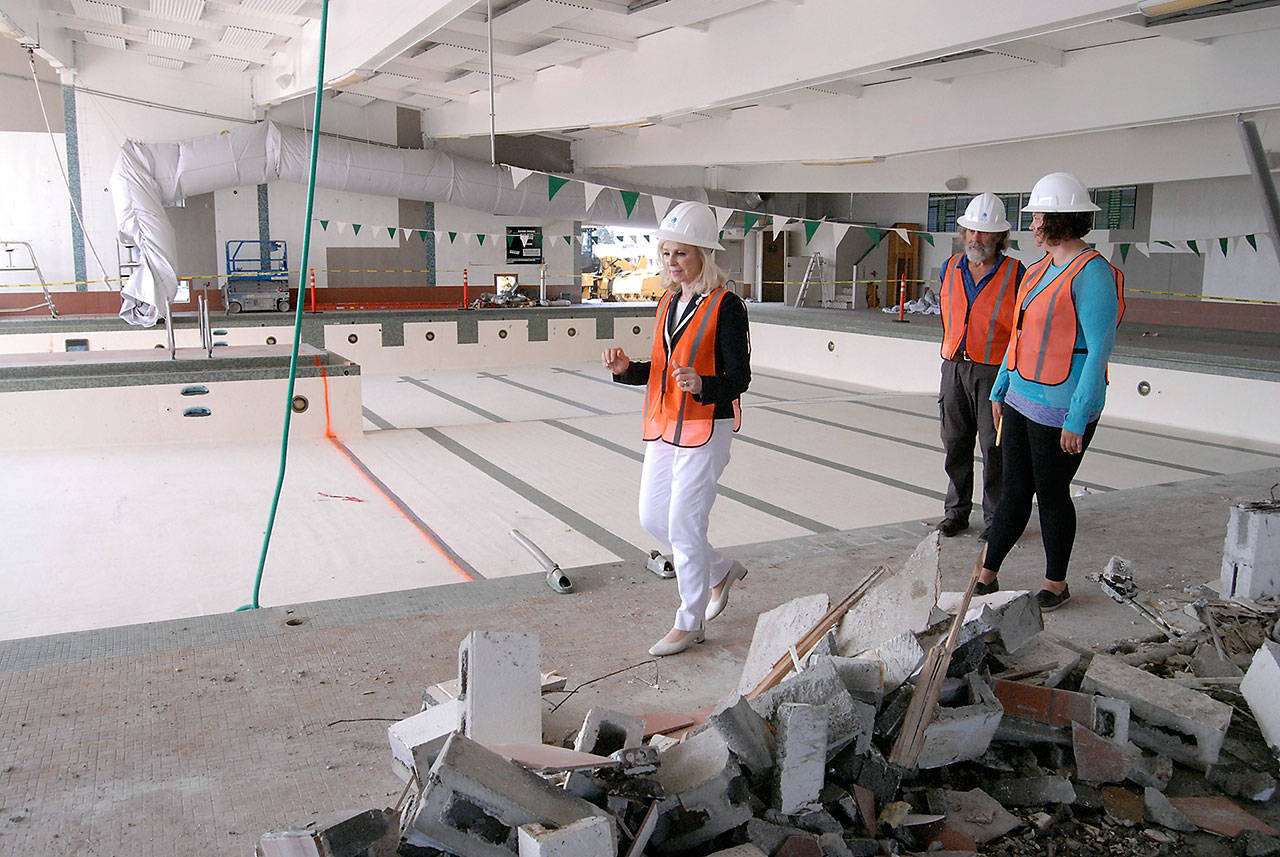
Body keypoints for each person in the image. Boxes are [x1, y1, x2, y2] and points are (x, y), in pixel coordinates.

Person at [602, 201, 752, 656]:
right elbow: (662, 368)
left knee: (685, 525)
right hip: (666, 423)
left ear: (704, 255)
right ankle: (720, 569)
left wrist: (704, 384)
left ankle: (690, 622)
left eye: (681, 254)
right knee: (653, 517)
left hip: (708, 425)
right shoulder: (669, 301)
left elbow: (739, 378)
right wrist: (629, 369)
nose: (671, 263)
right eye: (666, 253)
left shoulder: (727, 306)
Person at [978, 173, 1125, 611]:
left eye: (1039, 215)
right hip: (1021, 398)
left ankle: (1055, 583)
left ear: (1060, 219)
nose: (1033, 223)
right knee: (1015, 491)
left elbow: (1099, 349)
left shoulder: (1094, 274)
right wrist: (1001, 387)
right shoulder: (1039, 269)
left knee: (1052, 493)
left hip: (1061, 408)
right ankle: (985, 573)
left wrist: (1077, 418)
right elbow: (1019, 335)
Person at [936, 192, 1025, 541]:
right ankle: (956, 512)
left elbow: (1022, 329)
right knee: (955, 442)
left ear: (1000, 237)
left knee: (994, 447)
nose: (976, 239)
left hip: (995, 373)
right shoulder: (950, 267)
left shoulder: (1017, 274)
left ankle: (996, 518)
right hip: (954, 368)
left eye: (984, 233)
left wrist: (1010, 377)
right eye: (971, 231)